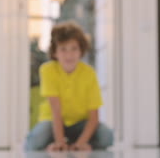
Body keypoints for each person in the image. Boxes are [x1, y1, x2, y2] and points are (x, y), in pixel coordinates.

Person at [25, 21, 113, 151]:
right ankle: (56, 143)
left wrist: (81, 143)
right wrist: (60, 142)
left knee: (107, 136)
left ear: (81, 50)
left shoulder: (89, 73)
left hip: (80, 123)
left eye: (74, 48)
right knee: (36, 140)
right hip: (53, 122)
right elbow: (56, 111)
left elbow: (94, 117)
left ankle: (76, 143)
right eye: (63, 49)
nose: (69, 54)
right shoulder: (47, 70)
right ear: (55, 52)